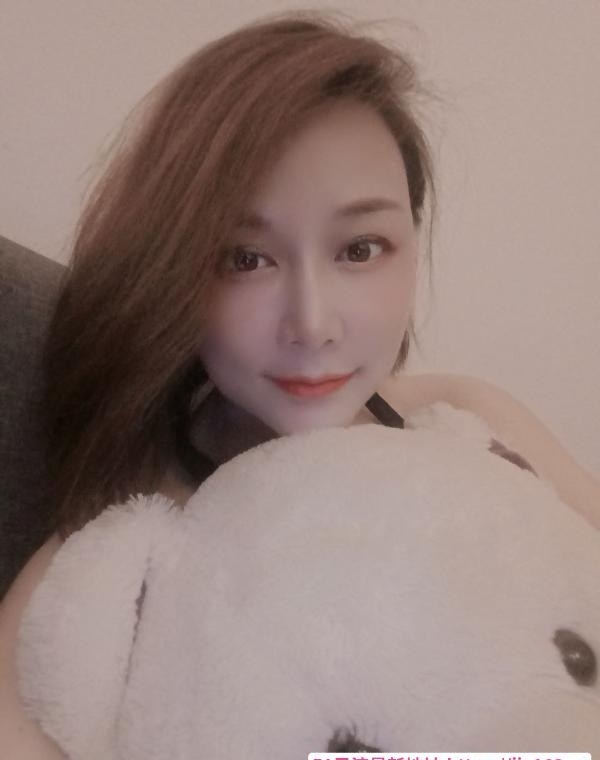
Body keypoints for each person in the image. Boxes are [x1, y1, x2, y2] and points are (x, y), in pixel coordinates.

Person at [2, 9, 599, 758]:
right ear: (171, 271)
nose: (313, 324)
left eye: (361, 248)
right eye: (245, 259)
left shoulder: (468, 417)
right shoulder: (115, 563)